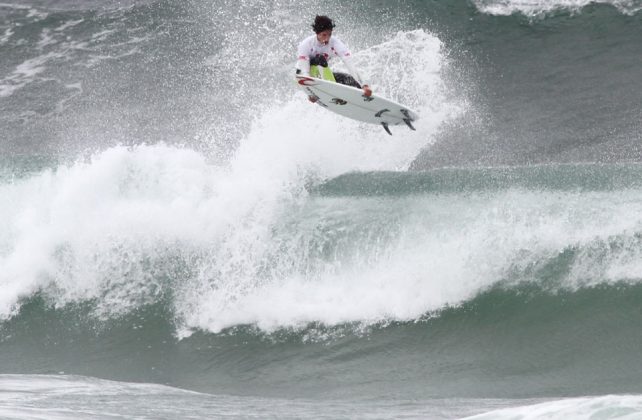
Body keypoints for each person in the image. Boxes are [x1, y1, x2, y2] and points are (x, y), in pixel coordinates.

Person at [295, 15, 372, 103]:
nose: (327, 38)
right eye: (324, 34)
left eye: (329, 34)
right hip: (303, 75)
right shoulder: (306, 44)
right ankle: (333, 94)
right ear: (317, 33)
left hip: (322, 76)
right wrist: (310, 92)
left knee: (351, 80)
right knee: (320, 59)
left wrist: (364, 85)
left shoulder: (335, 43)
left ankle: (363, 101)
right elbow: (305, 72)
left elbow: (349, 64)